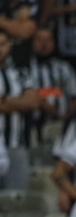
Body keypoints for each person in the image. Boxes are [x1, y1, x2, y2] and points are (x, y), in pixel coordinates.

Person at [0, 27, 39, 191]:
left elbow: (32, 102)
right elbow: (25, 101)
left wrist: (4, 102)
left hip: (15, 144)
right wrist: (18, 101)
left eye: (2, 44)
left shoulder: (21, 73)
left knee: (17, 200)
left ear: (10, 45)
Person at [28, 25, 76, 137]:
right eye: (40, 40)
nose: (44, 44)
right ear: (32, 42)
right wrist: (44, 104)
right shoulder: (25, 69)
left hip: (61, 125)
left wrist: (67, 115)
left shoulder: (64, 68)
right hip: (33, 126)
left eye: (48, 39)